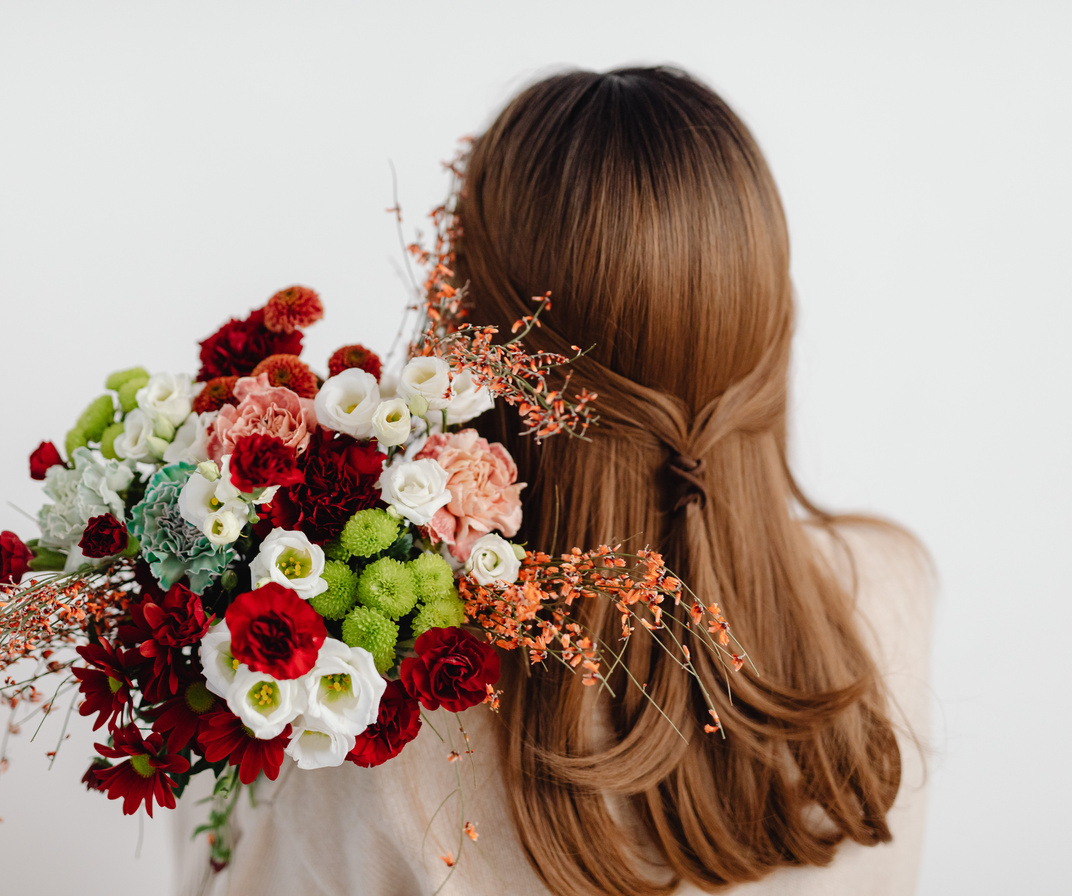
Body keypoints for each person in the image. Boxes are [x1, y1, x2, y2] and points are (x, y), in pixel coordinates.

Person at [172, 65, 934, 896]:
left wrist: (222, 719)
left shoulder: (369, 728)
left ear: (466, 338)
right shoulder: (889, 596)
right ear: (773, 325)